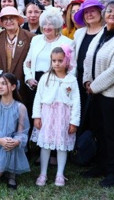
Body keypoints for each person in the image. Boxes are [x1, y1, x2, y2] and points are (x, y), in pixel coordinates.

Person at [82, 0, 114, 187]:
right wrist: (87, 80)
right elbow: (89, 57)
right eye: (109, 11)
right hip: (95, 92)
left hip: (113, 95)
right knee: (99, 130)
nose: (112, 14)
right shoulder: (102, 32)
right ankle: (101, 165)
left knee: (113, 134)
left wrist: (93, 86)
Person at [31, 46, 80, 187]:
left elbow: (76, 102)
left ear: (67, 61)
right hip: (48, 116)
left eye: (60, 60)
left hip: (63, 117)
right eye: (54, 60)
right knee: (46, 145)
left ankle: (60, 174)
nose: (57, 63)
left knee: (61, 146)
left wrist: (74, 121)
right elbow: (38, 98)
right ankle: (43, 173)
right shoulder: (45, 78)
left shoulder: (71, 80)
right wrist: (37, 116)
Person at [0, 73, 30, 189]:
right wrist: (0, 139)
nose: (0, 86)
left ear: (13, 87)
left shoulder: (20, 107)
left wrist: (15, 141)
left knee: (10, 142)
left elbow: (22, 132)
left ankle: (12, 174)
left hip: (13, 144)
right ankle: (4, 168)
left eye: (4, 84)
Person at [23, 7, 73, 101]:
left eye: (51, 24)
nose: (47, 27)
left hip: (57, 86)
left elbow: (72, 68)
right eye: (44, 24)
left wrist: (63, 85)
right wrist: (29, 79)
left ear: (57, 25)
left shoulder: (68, 43)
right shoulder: (35, 39)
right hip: (35, 85)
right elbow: (27, 63)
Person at [71, 0, 105, 120]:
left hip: (98, 80)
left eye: (93, 11)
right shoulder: (79, 33)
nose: (89, 14)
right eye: (86, 12)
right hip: (79, 78)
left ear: (101, 13)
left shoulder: (106, 32)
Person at [0, 6, 33, 100]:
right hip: (2, 86)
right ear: (2, 22)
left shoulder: (30, 37)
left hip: (22, 86)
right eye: (5, 19)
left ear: (18, 20)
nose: (8, 21)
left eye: (12, 18)